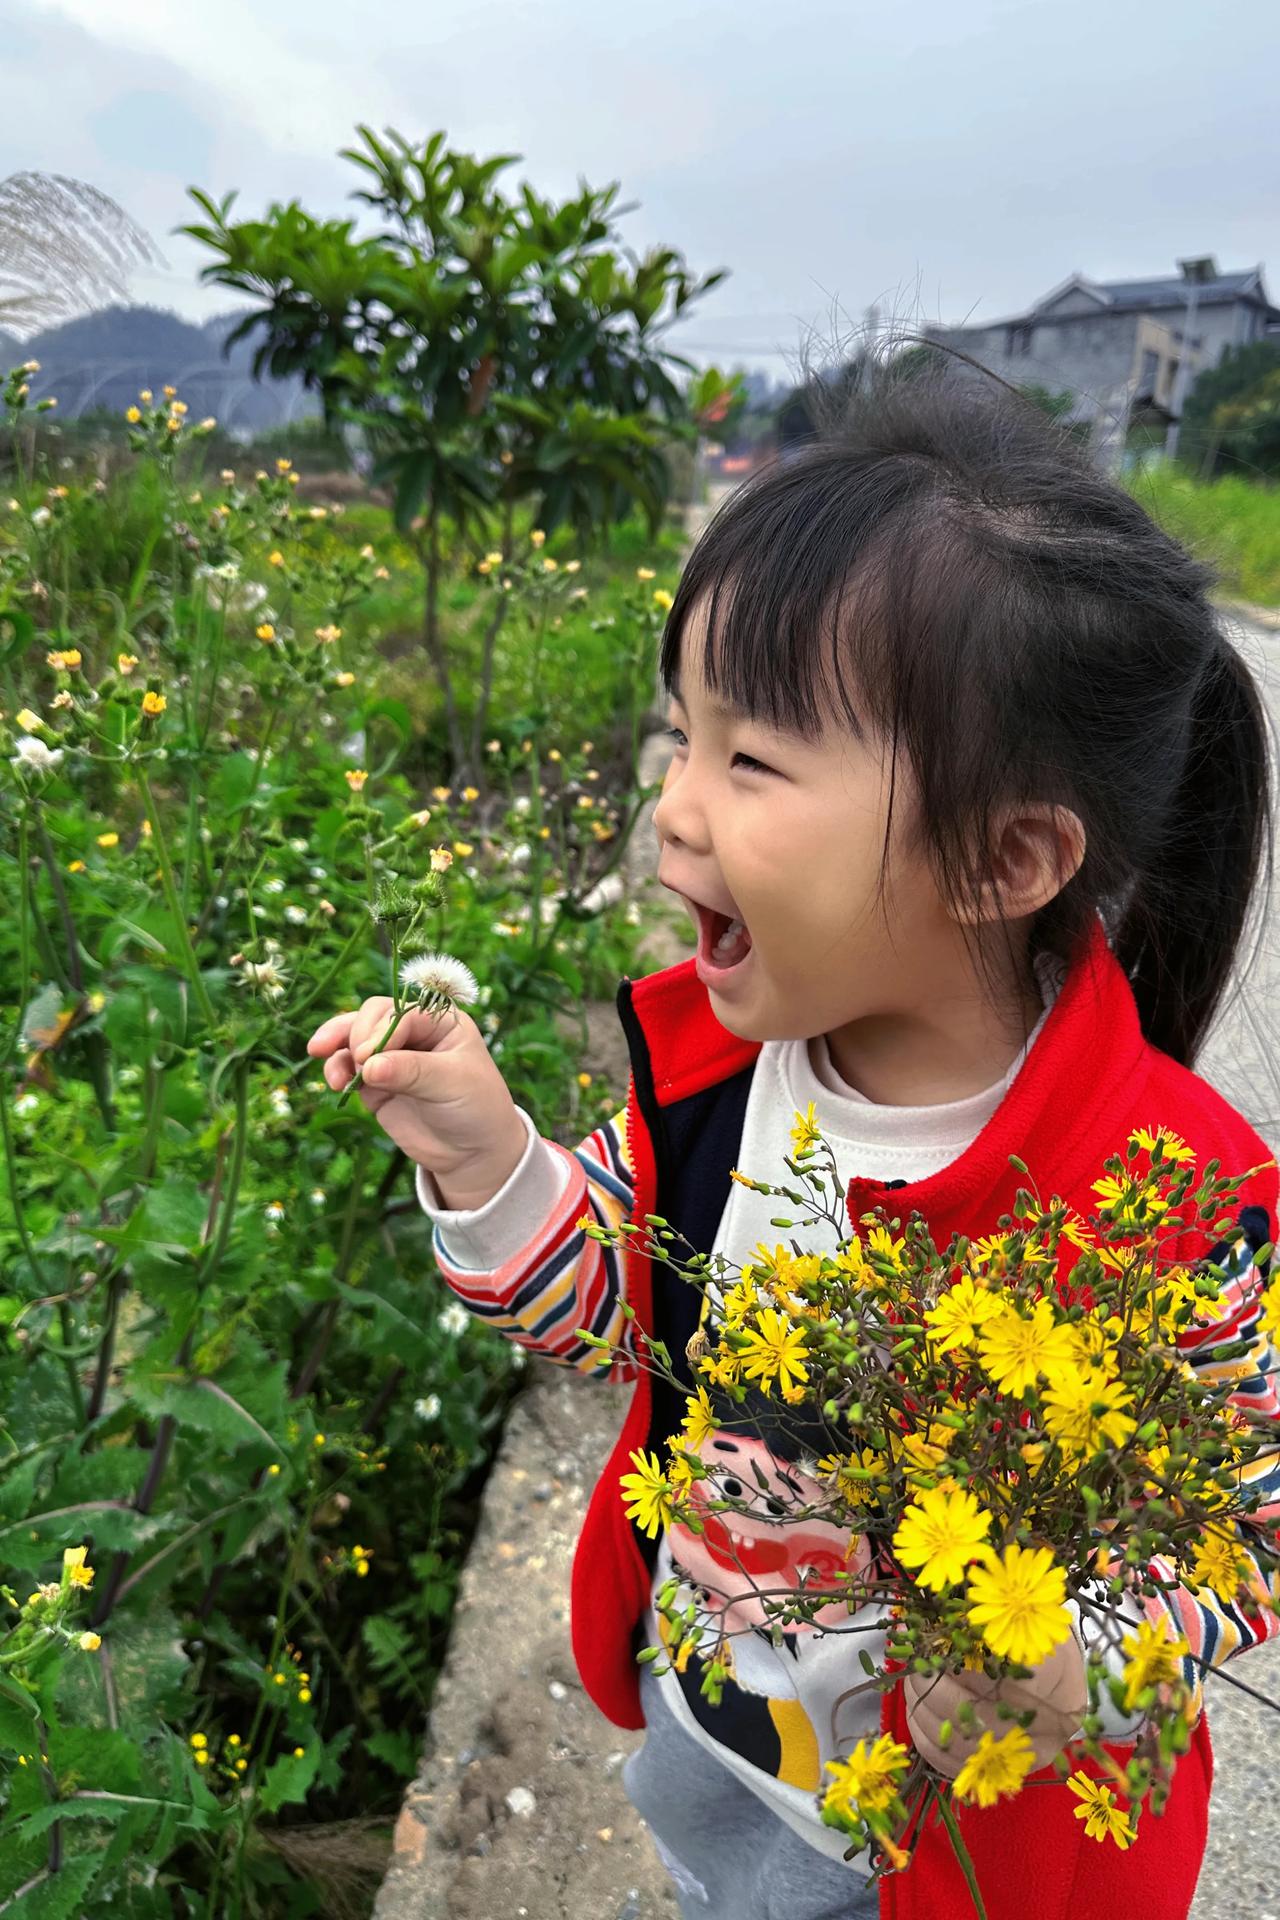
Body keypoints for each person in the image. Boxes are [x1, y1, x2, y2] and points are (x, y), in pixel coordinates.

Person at [306, 362, 1280, 1920]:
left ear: (1007, 856)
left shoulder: (1169, 1193)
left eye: (751, 761)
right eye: (680, 733)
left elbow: (1248, 1523)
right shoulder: (725, 1081)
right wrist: (488, 1160)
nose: (675, 810)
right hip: (719, 1752)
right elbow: (601, 1305)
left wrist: (1080, 1657)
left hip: (974, 1850)